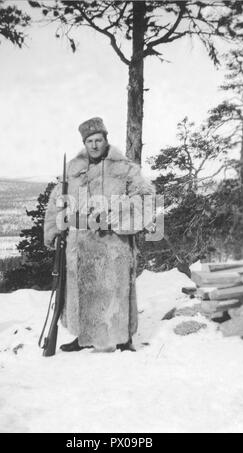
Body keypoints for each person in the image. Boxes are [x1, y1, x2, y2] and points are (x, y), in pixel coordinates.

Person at [44, 117, 155, 352]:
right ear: (84, 143)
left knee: (116, 291)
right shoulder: (73, 170)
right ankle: (84, 337)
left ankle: (123, 338)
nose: (94, 145)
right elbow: (57, 201)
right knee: (82, 291)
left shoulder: (124, 168)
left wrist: (116, 214)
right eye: (90, 141)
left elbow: (145, 197)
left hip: (113, 244)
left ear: (106, 140)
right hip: (80, 244)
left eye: (98, 140)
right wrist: (54, 231)